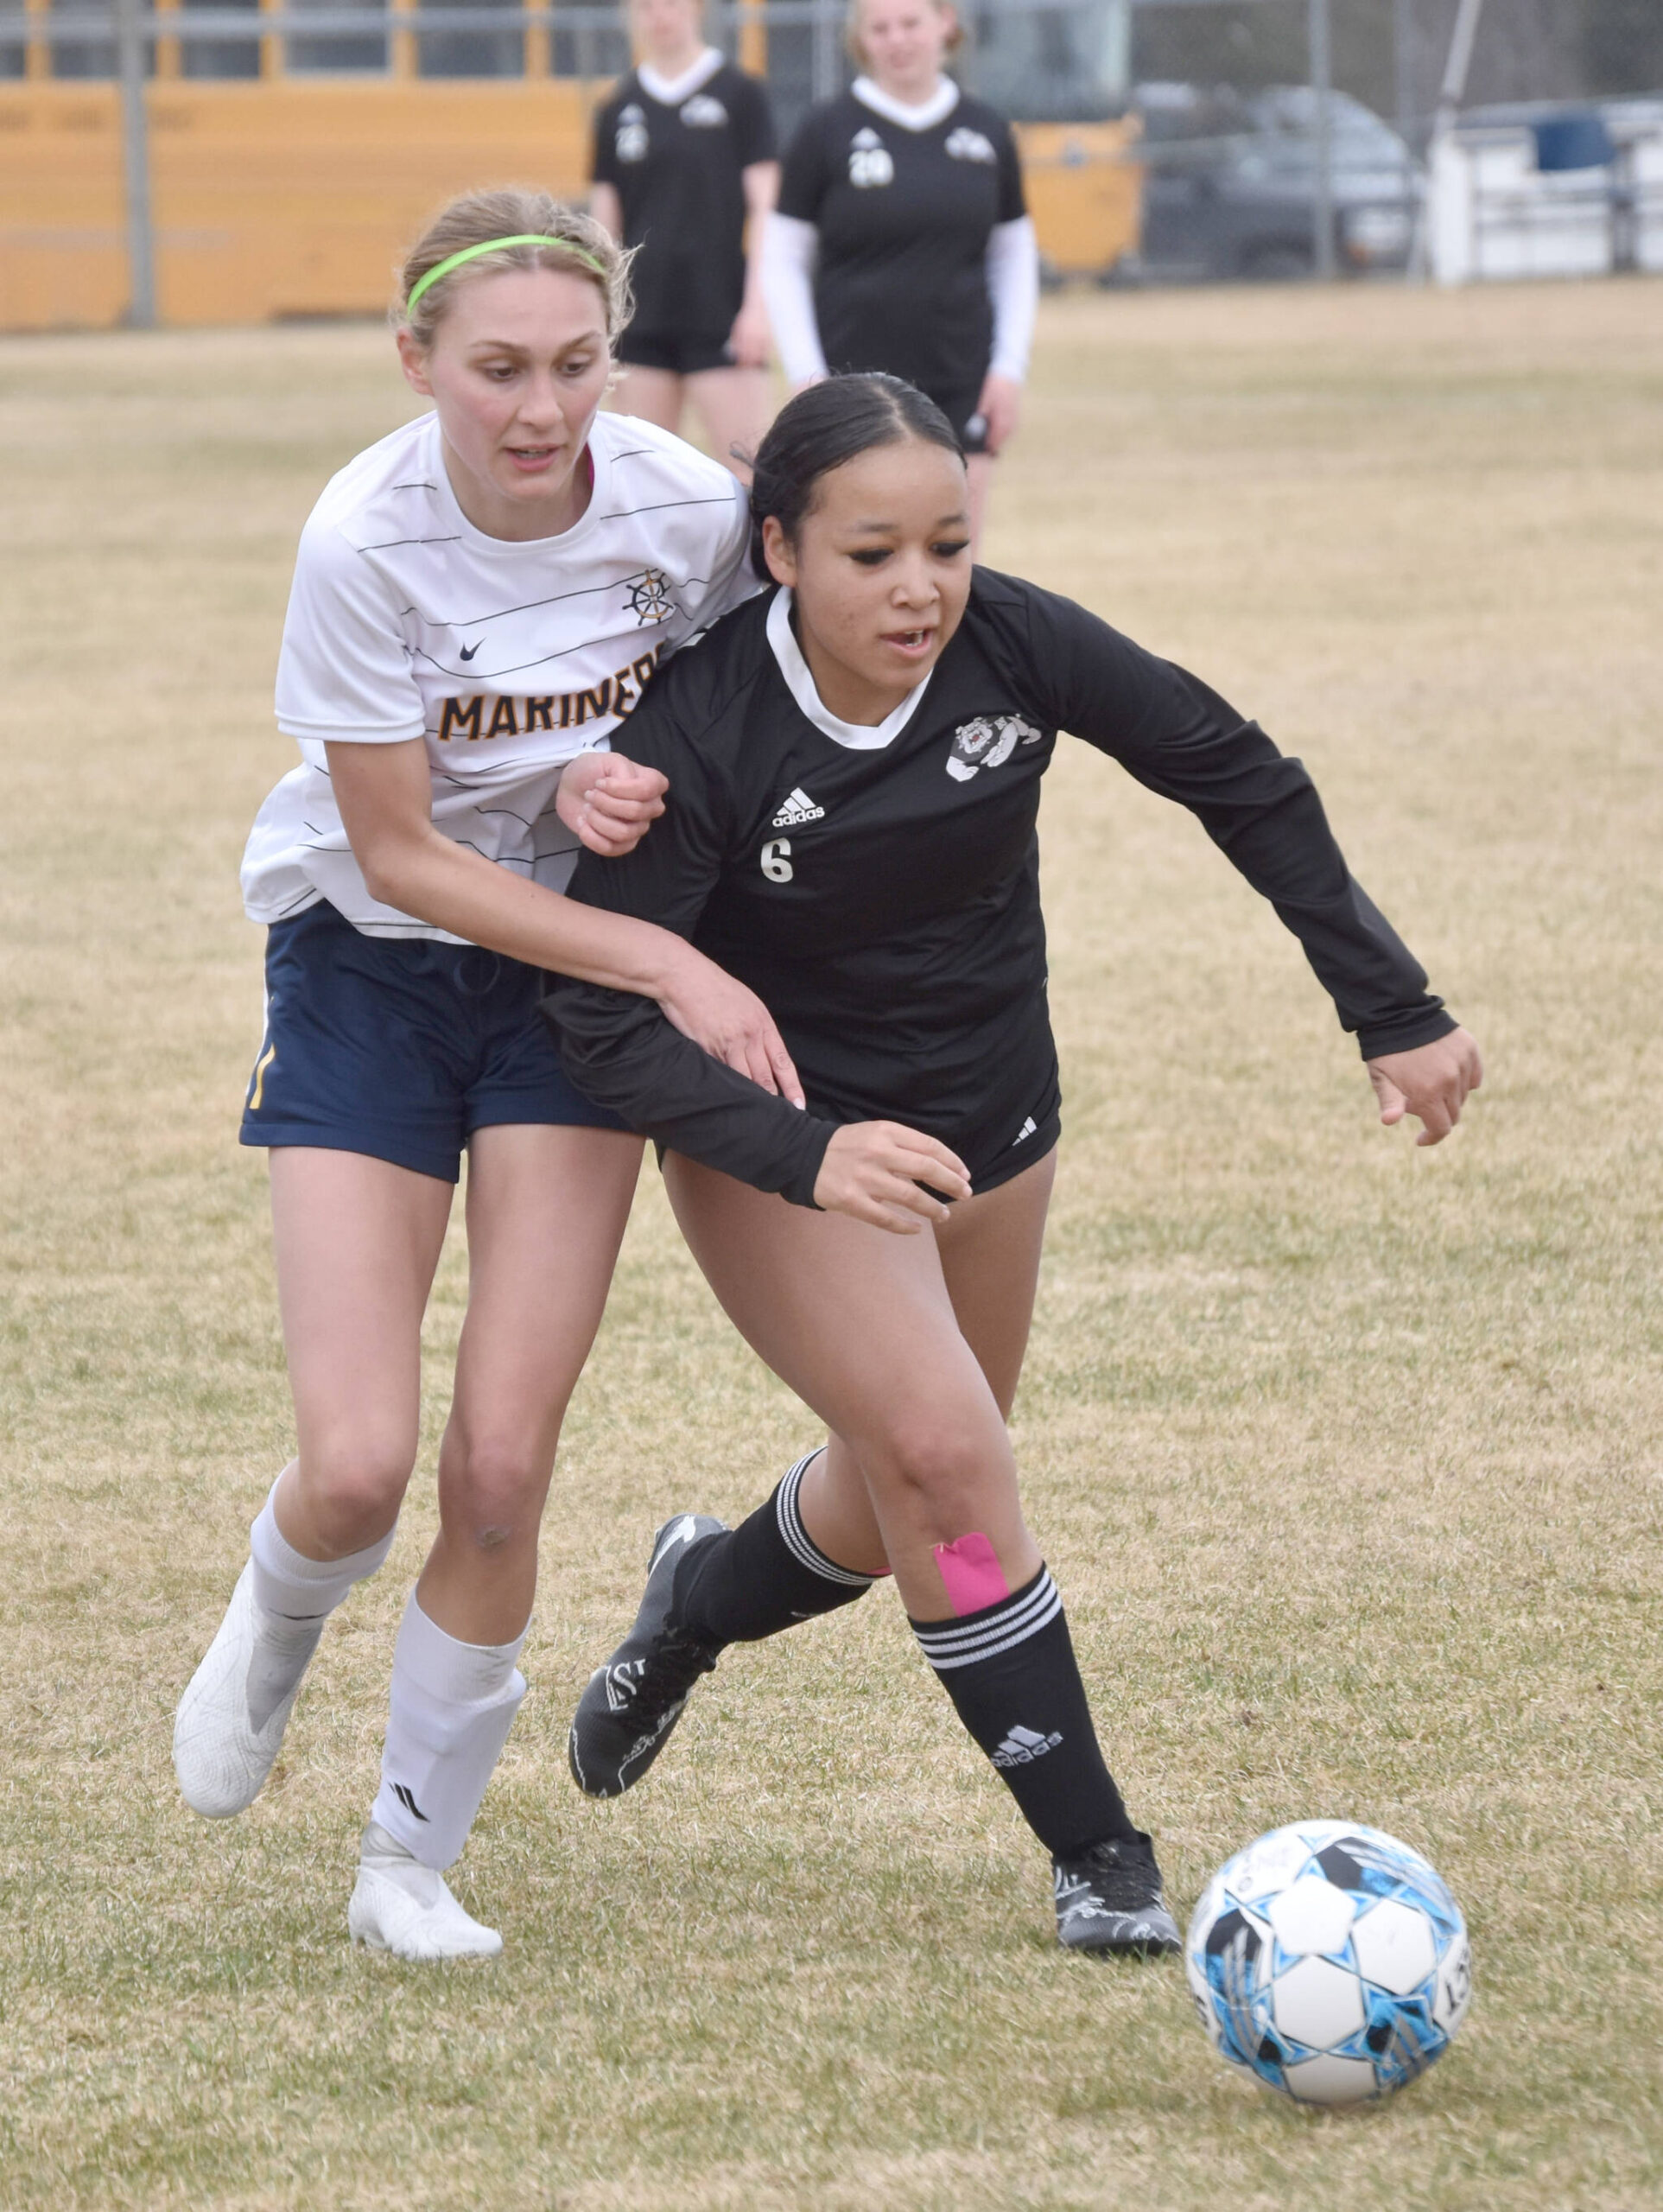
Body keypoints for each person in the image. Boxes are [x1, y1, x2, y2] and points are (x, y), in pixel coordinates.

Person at [544, 374, 1483, 1957]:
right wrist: (804, 1150)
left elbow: (1234, 770)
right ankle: (1102, 1858)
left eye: (948, 544)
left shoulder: (1016, 641)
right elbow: (598, 1020)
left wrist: (1392, 1008)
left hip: (994, 1123)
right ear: (777, 550)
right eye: (870, 555)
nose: (920, 588)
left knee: (901, 1494)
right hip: (787, 1144)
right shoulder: (700, 727)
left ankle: (691, 1605)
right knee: (946, 1461)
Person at [171, 187, 797, 1964]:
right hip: (375, 963)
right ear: (417, 362)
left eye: (578, 365)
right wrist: (663, 952)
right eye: (499, 369)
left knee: (503, 1464)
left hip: (568, 995)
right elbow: (400, 849)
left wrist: (635, 798)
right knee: (357, 1465)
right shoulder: (360, 537)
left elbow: (751, 702)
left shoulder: (684, 508)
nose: (542, 409)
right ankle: (277, 1616)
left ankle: (406, 1863)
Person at [760, 0, 1038, 549]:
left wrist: (1008, 370)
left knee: (953, 554)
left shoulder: (986, 130)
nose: (897, 40)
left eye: (911, 23)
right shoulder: (825, 131)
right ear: (860, 39)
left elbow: (1013, 257)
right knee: (861, 550)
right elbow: (783, 259)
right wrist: (809, 377)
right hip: (852, 383)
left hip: (960, 377)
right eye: (880, 28)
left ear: (945, 24)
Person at [589, 0, 778, 475]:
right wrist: (602, 314)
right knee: (643, 479)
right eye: (647, 6)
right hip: (642, 319)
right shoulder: (617, 107)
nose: (660, 15)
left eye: (671, 3)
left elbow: (767, 210)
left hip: (722, 315)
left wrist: (757, 309)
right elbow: (603, 229)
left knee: (752, 475)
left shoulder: (740, 95)